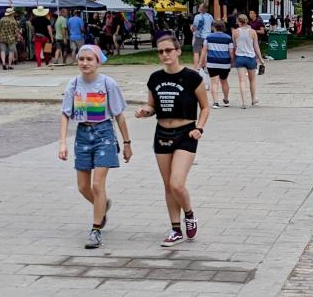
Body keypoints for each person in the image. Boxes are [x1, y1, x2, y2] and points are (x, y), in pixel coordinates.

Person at [135, 34, 210, 248]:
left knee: (177, 183)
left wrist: (199, 128)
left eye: (168, 50)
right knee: (168, 185)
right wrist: (144, 111)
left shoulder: (192, 77)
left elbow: (205, 107)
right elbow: (152, 107)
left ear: (178, 51)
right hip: (162, 134)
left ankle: (189, 214)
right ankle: (175, 229)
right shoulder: (155, 78)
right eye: (161, 51)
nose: (165, 54)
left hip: (186, 133)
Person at [58, 44, 132, 250]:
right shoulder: (73, 85)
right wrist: (62, 142)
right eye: (81, 59)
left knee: (97, 185)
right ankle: (103, 205)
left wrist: (127, 143)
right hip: (82, 134)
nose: (85, 63)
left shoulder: (108, 84)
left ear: (98, 62)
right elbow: (65, 114)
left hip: (104, 134)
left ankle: (96, 230)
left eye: (90, 59)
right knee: (83, 187)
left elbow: (119, 115)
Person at [198, 19, 234, 108]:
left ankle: (215, 102)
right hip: (225, 63)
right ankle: (226, 100)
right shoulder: (228, 38)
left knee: (214, 82)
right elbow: (231, 52)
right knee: (224, 81)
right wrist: (232, 62)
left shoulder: (209, 37)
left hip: (212, 63)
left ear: (214, 27)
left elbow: (204, 51)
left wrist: (200, 63)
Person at [232, 14, 265, 107]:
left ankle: (243, 102)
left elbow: (234, 47)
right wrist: (260, 59)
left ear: (238, 21)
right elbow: (256, 47)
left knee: (242, 81)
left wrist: (233, 59)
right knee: (252, 80)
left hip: (240, 58)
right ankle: (254, 98)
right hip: (251, 58)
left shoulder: (235, 32)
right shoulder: (253, 32)